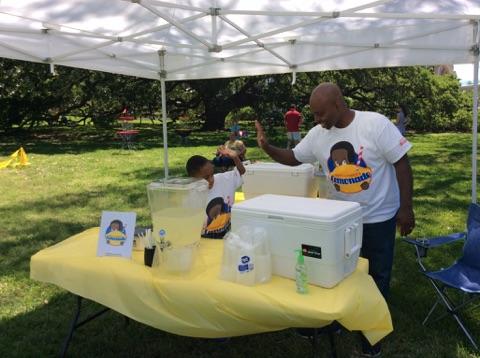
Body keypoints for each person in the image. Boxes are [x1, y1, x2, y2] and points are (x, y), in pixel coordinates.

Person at [256, 83, 415, 357]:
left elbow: (402, 163)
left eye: (320, 114)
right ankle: (336, 322)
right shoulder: (319, 135)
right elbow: (294, 158)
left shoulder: (374, 124)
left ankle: (370, 336)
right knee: (339, 274)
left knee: (377, 277)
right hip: (339, 221)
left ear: (338, 105)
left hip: (378, 218)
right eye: (314, 115)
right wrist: (266, 146)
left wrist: (406, 208)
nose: (317, 120)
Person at [186, 146, 246, 239]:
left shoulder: (223, 179)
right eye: (206, 178)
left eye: (212, 174)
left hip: (227, 234)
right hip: (204, 240)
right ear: (193, 179)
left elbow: (241, 171)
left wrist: (235, 157)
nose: (211, 180)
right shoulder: (191, 194)